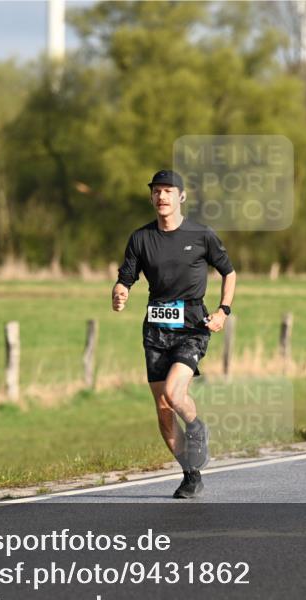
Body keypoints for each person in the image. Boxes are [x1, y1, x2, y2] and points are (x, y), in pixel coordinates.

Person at [112, 170, 236, 498]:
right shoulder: (141, 238)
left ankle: (196, 428)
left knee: (174, 393)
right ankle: (190, 473)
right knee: (164, 411)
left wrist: (223, 310)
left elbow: (229, 272)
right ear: (151, 197)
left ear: (181, 196)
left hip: (192, 326)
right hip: (155, 328)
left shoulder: (201, 234)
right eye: (156, 191)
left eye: (168, 191)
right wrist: (120, 290)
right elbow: (127, 275)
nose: (161, 197)